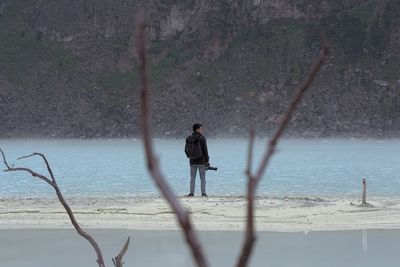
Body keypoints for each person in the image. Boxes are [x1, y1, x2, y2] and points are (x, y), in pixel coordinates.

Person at [187, 123, 209, 197]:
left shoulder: (189, 138)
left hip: (192, 161)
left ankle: (191, 193)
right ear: (197, 129)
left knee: (192, 178)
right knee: (202, 178)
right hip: (201, 160)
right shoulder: (202, 138)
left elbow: (186, 149)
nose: (202, 130)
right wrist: (207, 160)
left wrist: (190, 156)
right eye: (201, 128)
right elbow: (205, 150)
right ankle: (203, 193)